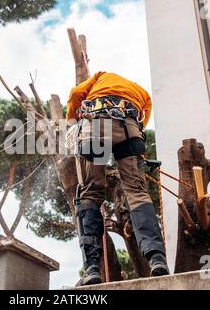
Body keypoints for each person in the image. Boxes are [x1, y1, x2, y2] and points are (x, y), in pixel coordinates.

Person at [66, 71, 169, 286]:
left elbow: (76, 93)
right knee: (137, 192)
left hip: (95, 125)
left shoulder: (100, 76)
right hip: (129, 128)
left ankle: (93, 269)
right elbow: (142, 118)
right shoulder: (141, 92)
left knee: (90, 193)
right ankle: (157, 259)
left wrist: (72, 122)